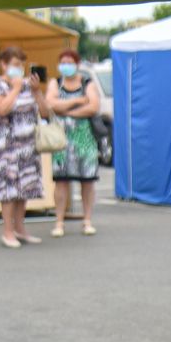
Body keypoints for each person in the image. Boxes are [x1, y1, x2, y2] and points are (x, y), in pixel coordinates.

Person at [0, 46, 51, 249]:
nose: (19, 68)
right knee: (9, 189)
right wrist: (14, 89)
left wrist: (36, 92)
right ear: (3, 64)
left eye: (22, 64)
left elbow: (45, 113)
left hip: (28, 145)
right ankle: (7, 231)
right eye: (15, 64)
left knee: (25, 187)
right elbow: (1, 109)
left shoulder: (27, 85)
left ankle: (20, 228)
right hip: (8, 146)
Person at [44, 49, 102, 237]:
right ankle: (59, 222)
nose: (65, 66)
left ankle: (87, 220)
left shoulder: (87, 83)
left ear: (77, 64)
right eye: (63, 62)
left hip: (85, 139)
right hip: (61, 140)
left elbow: (93, 107)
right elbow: (50, 104)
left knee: (87, 181)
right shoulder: (55, 83)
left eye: (69, 62)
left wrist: (66, 111)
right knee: (61, 181)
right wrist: (79, 101)